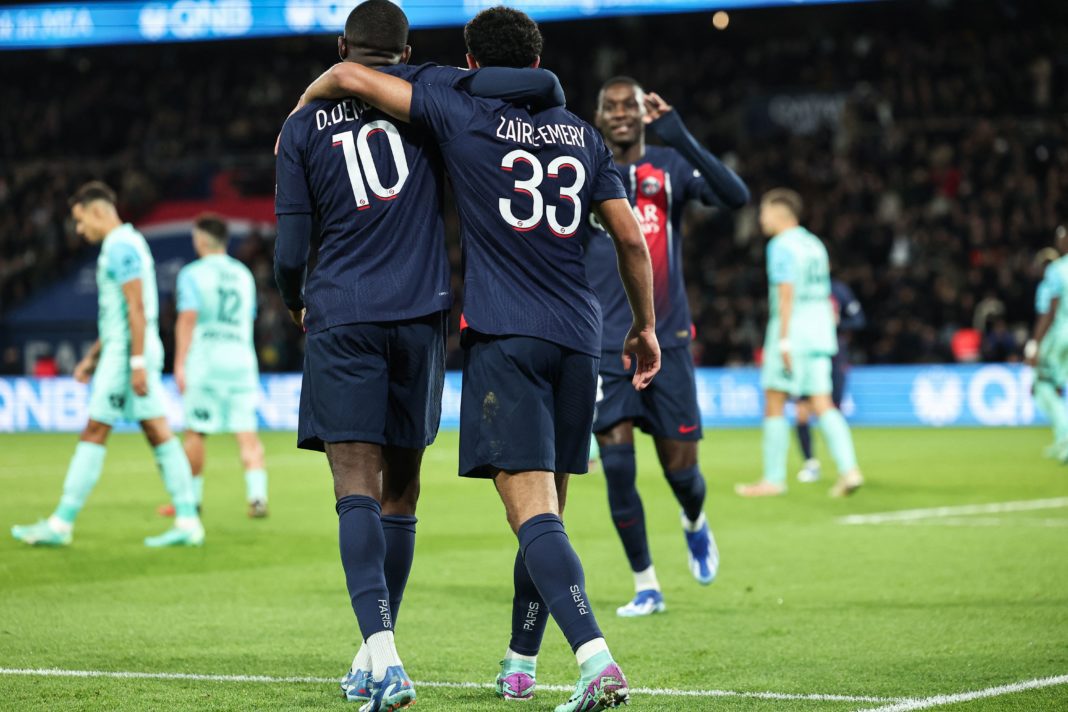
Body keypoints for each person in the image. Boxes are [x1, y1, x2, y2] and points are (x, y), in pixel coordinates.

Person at [293, 7, 660, 710]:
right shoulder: (583, 135)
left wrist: (301, 115)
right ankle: (521, 658)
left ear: (469, 61)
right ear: (538, 55)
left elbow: (348, 74)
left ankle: (596, 659)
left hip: (506, 335)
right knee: (547, 513)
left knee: (533, 517)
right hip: (580, 336)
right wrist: (642, 327)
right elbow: (632, 242)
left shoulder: (462, 111)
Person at [585, 76, 749, 617]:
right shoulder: (582, 167)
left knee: (683, 475)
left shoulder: (670, 169)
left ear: (642, 112)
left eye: (628, 106)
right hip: (607, 345)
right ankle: (646, 583)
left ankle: (695, 522)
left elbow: (734, 195)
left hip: (669, 339)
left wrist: (679, 135)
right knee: (618, 467)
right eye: (609, 107)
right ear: (600, 115)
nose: (619, 114)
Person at [11, 181, 203, 548]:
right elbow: (119, 313)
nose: (80, 231)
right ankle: (189, 520)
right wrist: (92, 357)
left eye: (82, 221)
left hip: (128, 356)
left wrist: (135, 363)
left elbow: (137, 307)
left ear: (98, 211)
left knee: (95, 429)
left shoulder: (120, 247)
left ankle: (61, 522)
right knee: (158, 432)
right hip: (124, 352)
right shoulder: (125, 245)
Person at [737, 188, 863, 498]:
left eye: (764, 212)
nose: (761, 219)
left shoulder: (781, 245)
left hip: (793, 331)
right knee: (823, 401)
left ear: (780, 214)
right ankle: (849, 469)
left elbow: (786, 293)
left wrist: (782, 342)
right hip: (821, 332)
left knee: (775, 400)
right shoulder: (814, 244)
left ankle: (773, 479)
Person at [156, 214, 268, 518]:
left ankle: (190, 501)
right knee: (247, 433)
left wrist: (179, 363)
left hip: (206, 364)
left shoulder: (193, 274)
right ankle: (257, 496)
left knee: (195, 432)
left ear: (202, 240)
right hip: (241, 363)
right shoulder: (243, 274)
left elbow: (188, 318)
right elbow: (249, 318)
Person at [794, 278, 865, 483]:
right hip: (807, 354)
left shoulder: (839, 290)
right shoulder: (801, 289)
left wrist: (837, 322)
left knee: (832, 409)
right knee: (802, 411)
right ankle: (810, 464)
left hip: (835, 355)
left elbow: (859, 320)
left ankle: (845, 467)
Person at [1025, 227, 1068, 461]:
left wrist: (1035, 344)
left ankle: (1065, 438)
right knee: (1057, 386)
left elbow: (1050, 312)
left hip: (1062, 334)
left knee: (1043, 385)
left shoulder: (1057, 272)